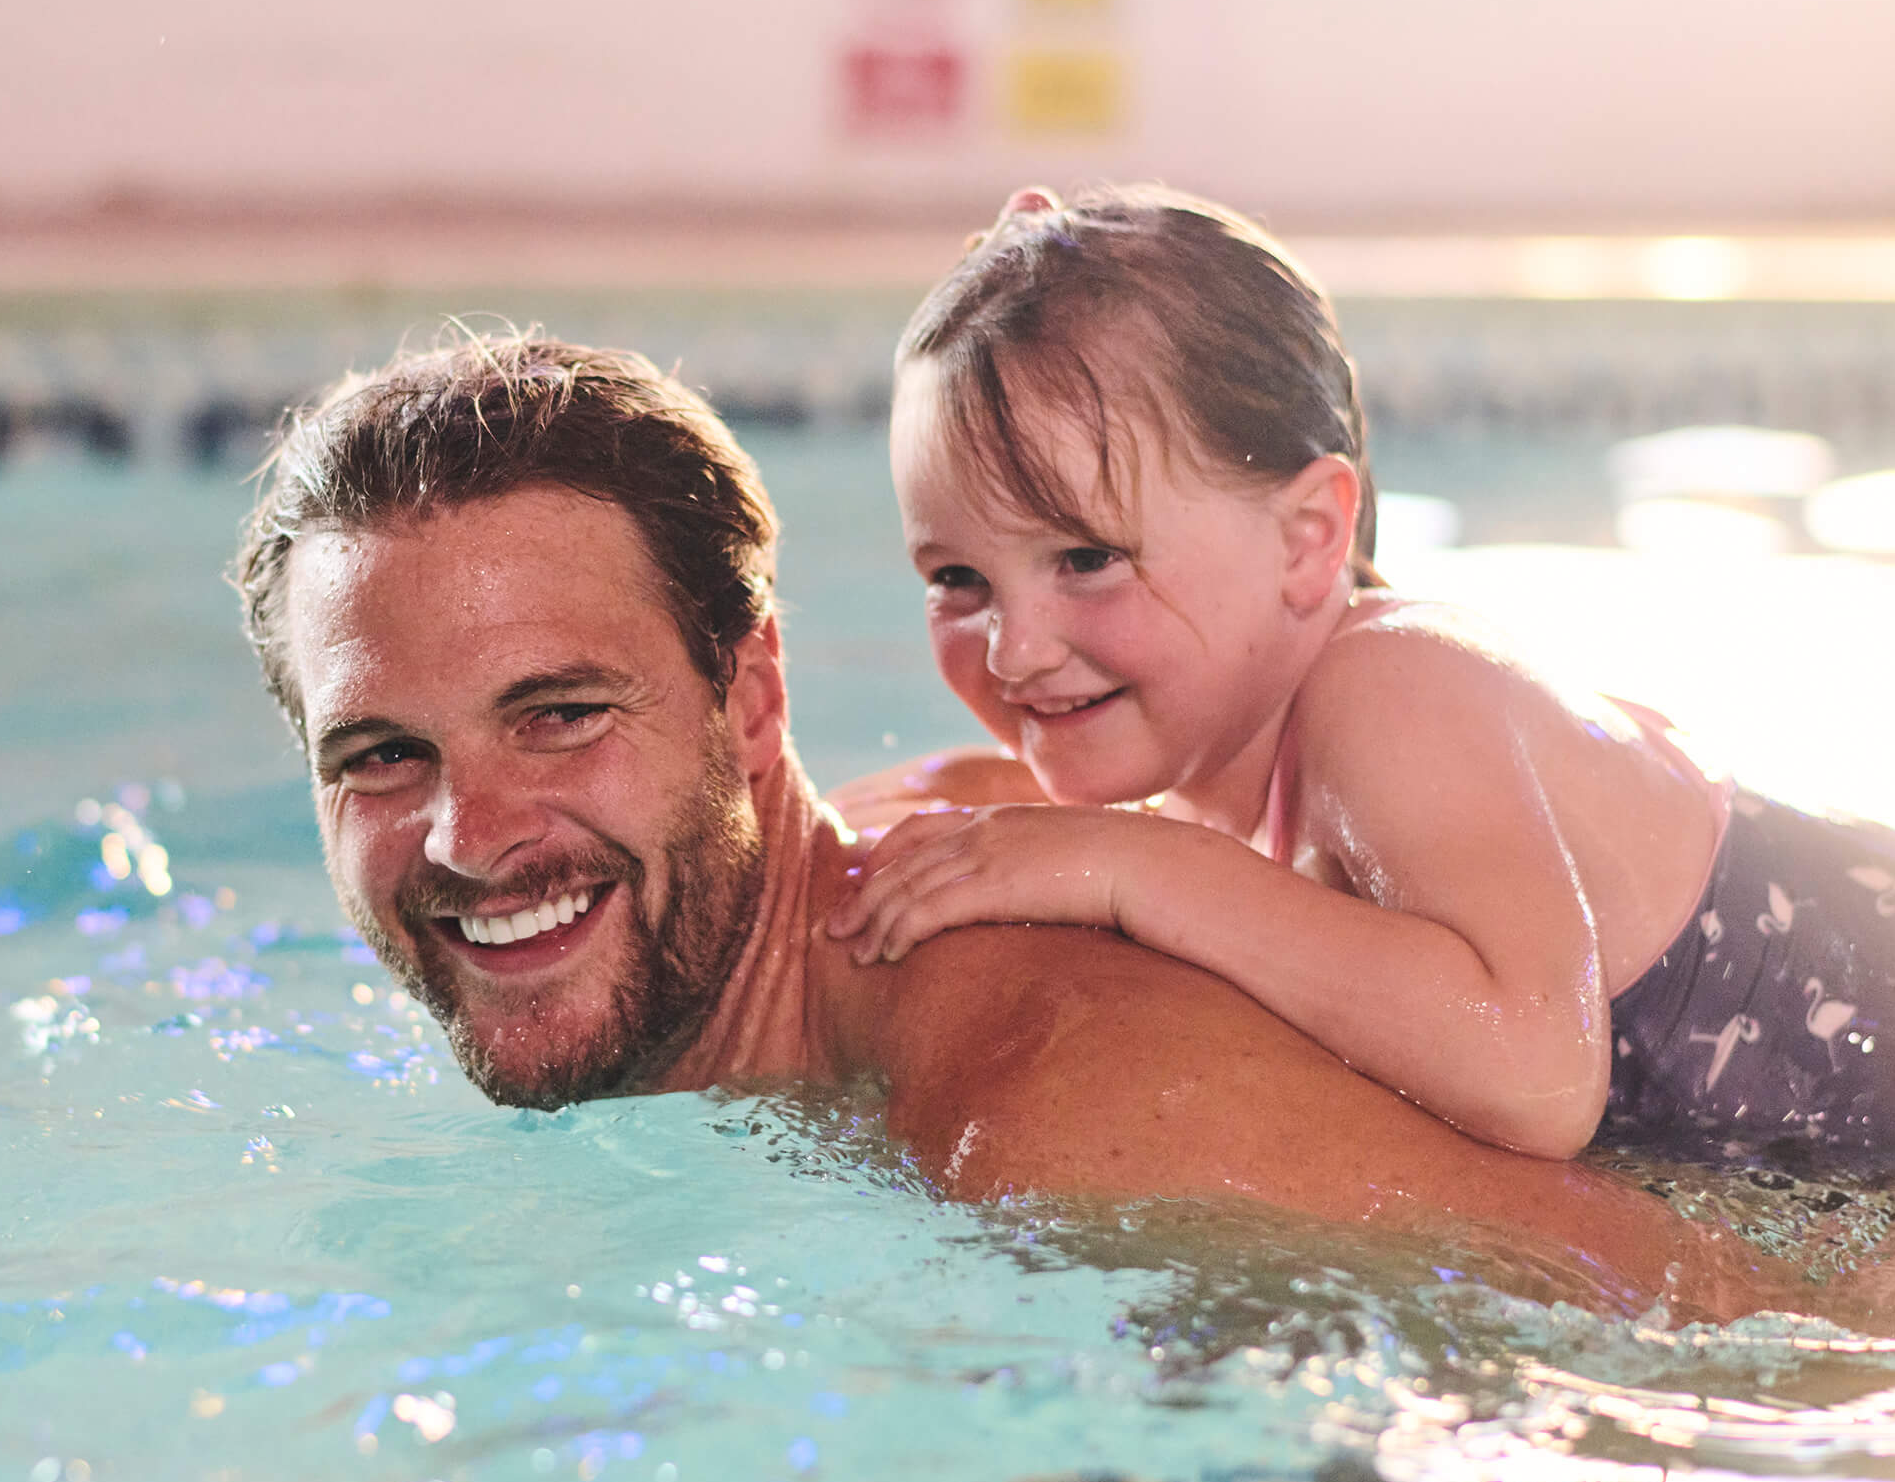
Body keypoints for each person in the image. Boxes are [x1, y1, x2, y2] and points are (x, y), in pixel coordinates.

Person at [230, 331, 1777, 1324]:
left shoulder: (1056, 1113)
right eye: (379, 755)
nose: (466, 837)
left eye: (562, 713)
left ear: (751, 699)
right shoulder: (917, 857)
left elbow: (1720, 1323)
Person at [824, 183, 1895, 1169]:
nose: (1014, 647)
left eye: (1086, 558)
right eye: (957, 579)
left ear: (1306, 540)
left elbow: (1536, 1070)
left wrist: (1135, 868)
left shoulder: (1396, 687)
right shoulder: (1221, 776)